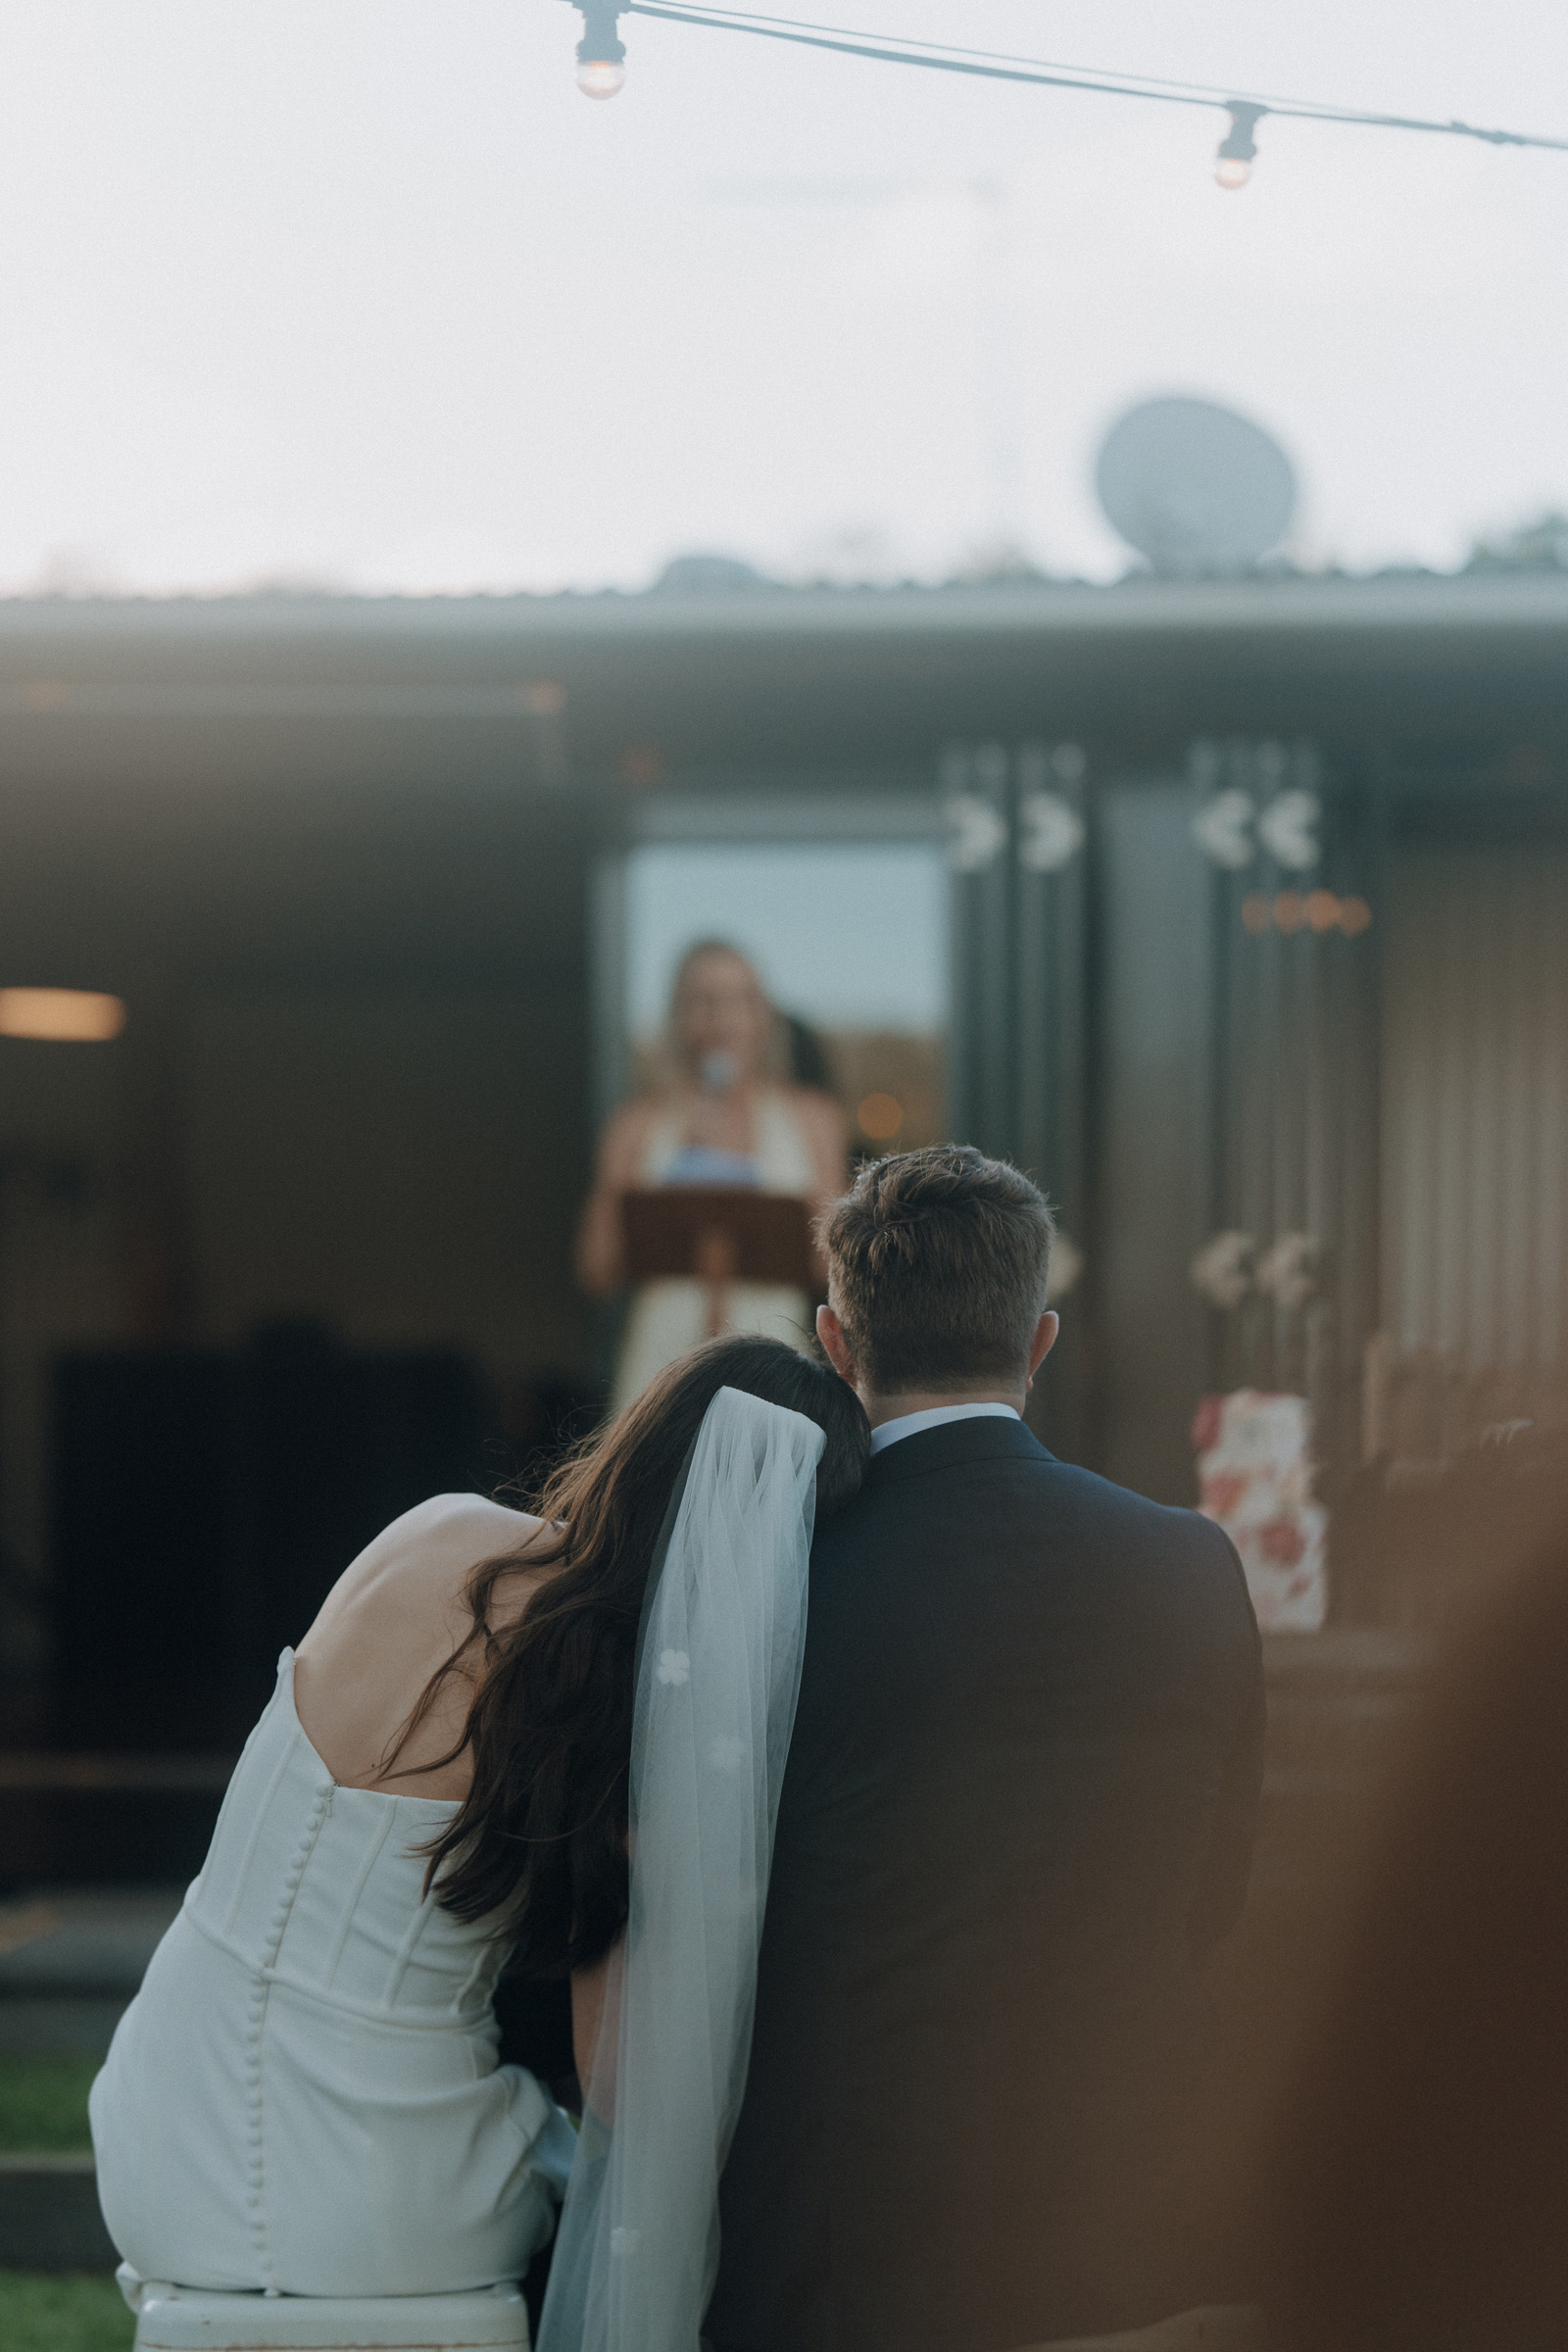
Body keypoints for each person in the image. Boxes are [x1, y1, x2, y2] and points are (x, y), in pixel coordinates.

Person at [89, 1336, 868, 2311]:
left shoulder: (435, 1530)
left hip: (153, 2123)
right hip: (381, 2185)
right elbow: (624, 2083)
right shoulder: (632, 1716)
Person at [708, 1146, 1267, 2352]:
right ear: (1041, 1341)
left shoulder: (784, 1577)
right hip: (1138, 2235)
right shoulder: (1191, 1562)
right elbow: (1218, 1887)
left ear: (836, 1342)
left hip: (846, 2251)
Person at [578, 940, 848, 1413]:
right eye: (704, 1000)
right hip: (662, 1357)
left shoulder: (811, 1120)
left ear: (764, 1015)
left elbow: (835, 1267)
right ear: (678, 1016)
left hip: (771, 1352)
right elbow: (596, 1270)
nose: (723, 1018)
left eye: (741, 999)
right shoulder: (639, 1125)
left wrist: (769, 1219)